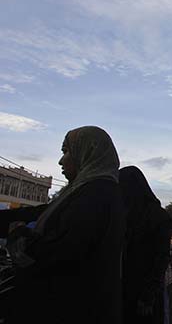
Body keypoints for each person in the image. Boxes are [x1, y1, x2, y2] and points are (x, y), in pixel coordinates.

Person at [3, 125, 126, 324]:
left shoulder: (94, 196)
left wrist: (17, 235)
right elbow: (39, 213)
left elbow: (55, 253)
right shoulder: (88, 192)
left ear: (86, 152)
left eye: (66, 151)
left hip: (70, 309)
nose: (61, 160)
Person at [120, 166, 172, 324]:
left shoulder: (154, 218)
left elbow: (160, 259)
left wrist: (148, 295)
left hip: (144, 292)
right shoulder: (133, 214)